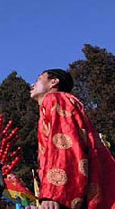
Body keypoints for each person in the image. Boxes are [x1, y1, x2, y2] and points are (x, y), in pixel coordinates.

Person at [30, 69, 115, 209]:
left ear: (54, 82)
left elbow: (65, 145)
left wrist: (53, 192)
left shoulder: (56, 99)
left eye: (39, 79)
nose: (32, 85)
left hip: (68, 192)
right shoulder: (58, 103)